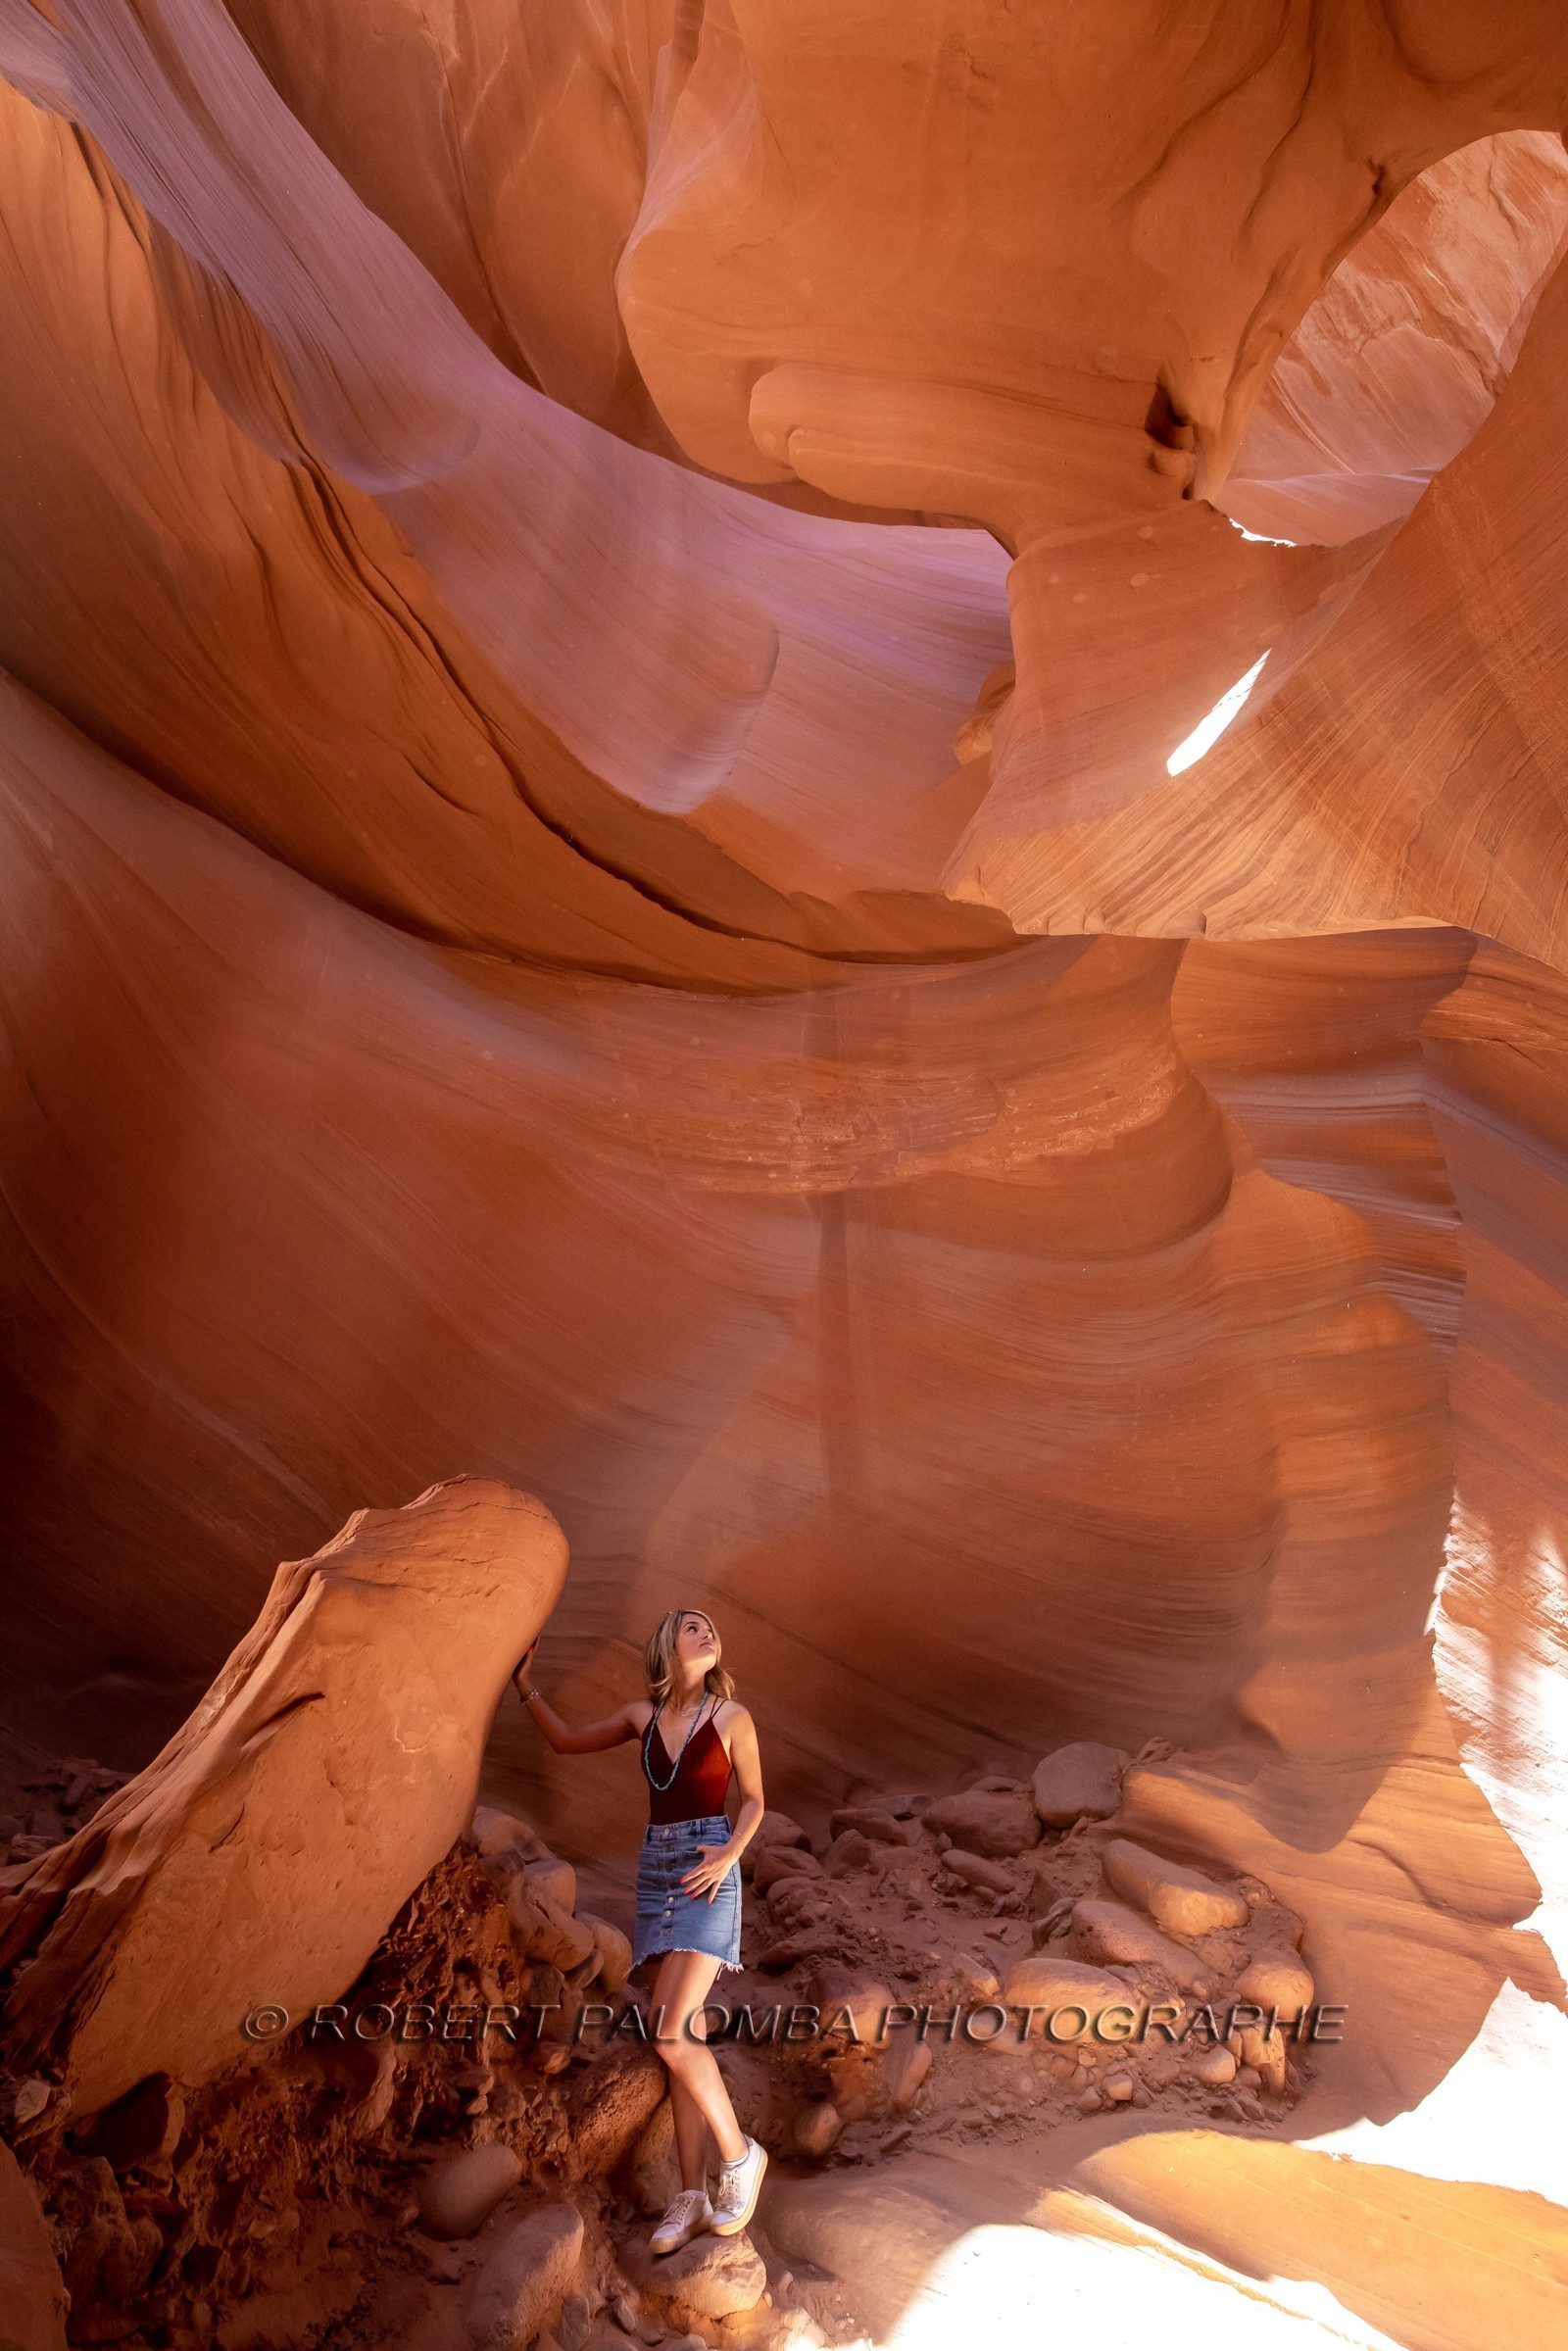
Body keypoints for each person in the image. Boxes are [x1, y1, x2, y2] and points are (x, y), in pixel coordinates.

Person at [512, 1606, 768, 2253]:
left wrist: (731, 1853)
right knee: (681, 2037)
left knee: (670, 2028)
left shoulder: (732, 1718)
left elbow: (757, 1800)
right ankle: (691, 2194)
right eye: (692, 1626)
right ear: (665, 1647)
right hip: (655, 1873)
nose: (707, 1630)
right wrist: (523, 1683)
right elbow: (565, 1740)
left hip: (709, 1865)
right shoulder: (641, 1717)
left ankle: (740, 2156)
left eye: (711, 1625)